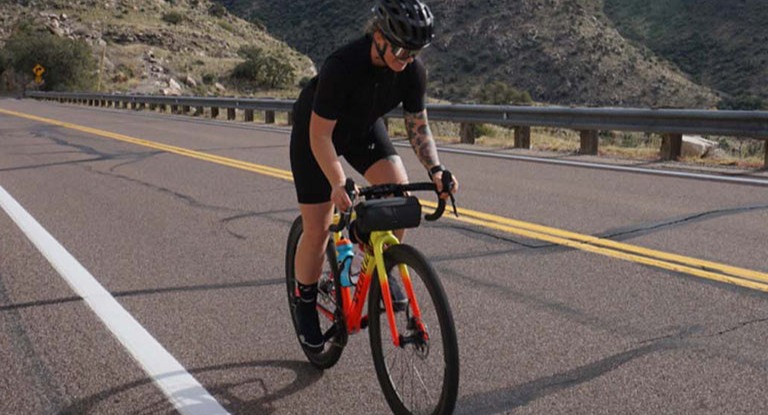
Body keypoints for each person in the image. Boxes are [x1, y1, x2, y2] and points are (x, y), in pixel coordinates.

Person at [289, 0, 459, 352]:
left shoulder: (411, 71)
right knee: (318, 228)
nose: (406, 59)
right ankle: (304, 302)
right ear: (378, 36)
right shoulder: (342, 66)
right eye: (399, 50)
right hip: (317, 135)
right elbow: (320, 136)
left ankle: (377, 265)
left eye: (414, 52)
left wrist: (436, 169)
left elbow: (418, 127)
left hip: (362, 130)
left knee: (397, 198)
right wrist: (338, 181)